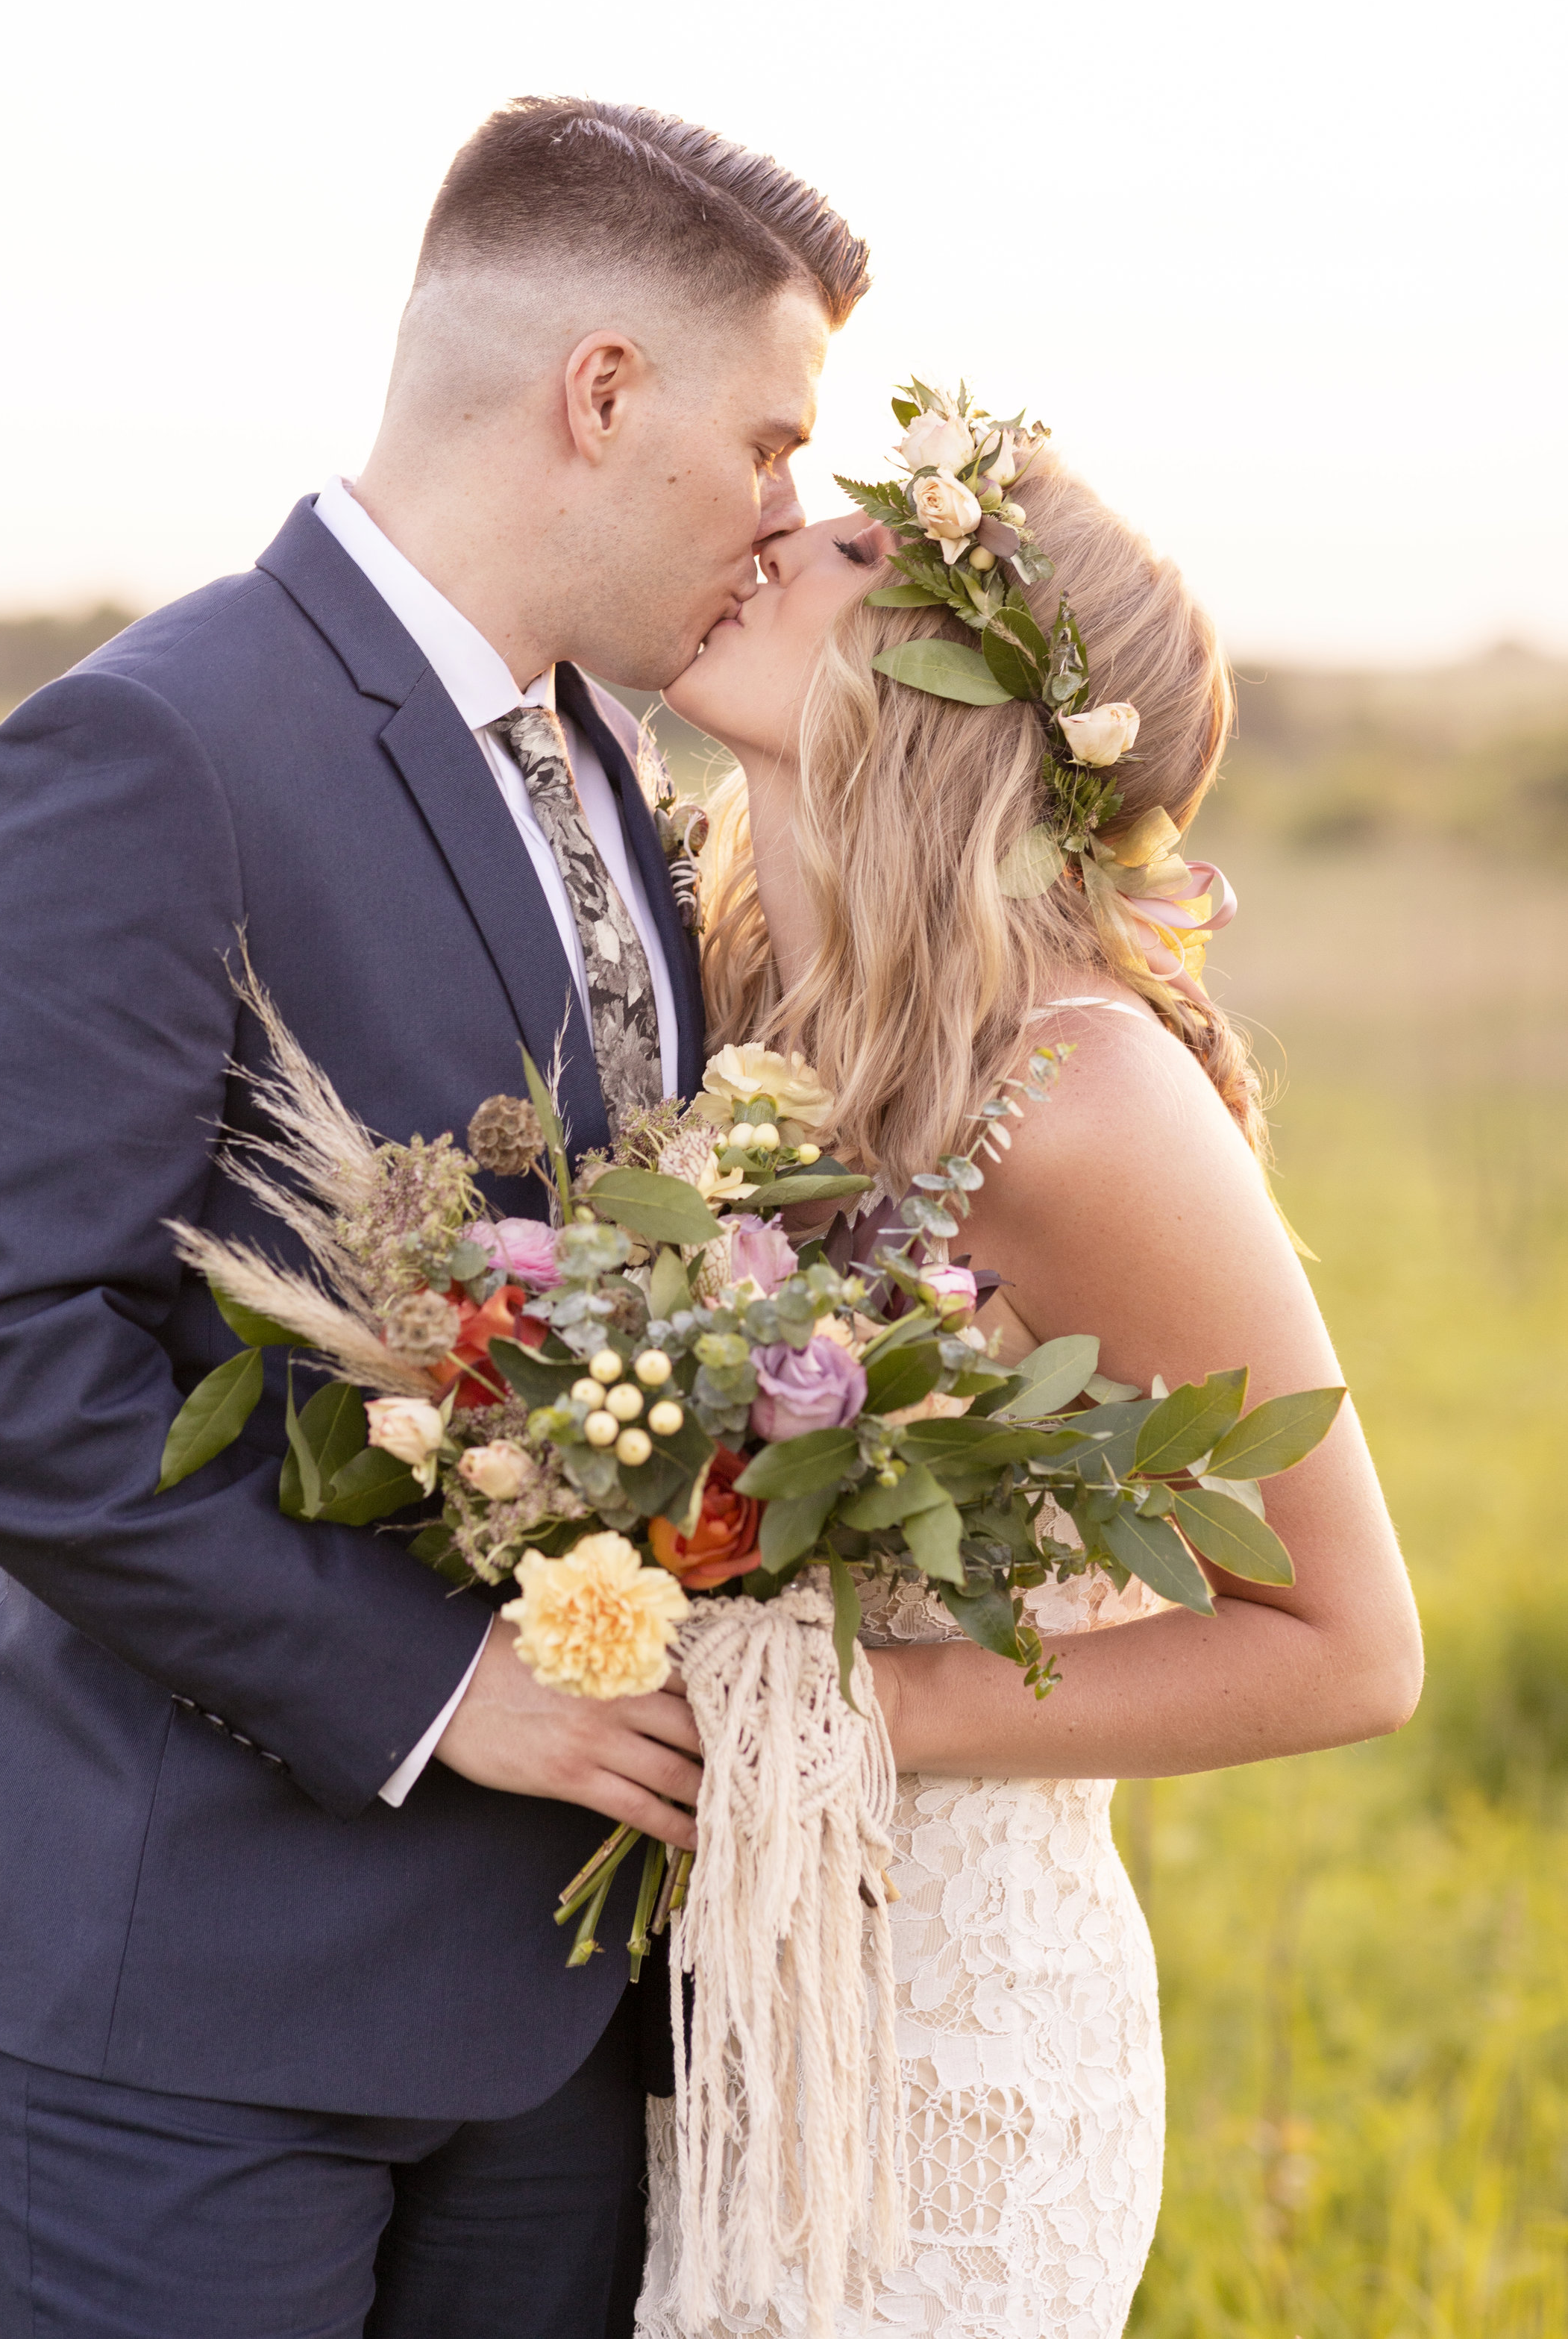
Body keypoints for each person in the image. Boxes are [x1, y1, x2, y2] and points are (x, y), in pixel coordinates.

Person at [0, 96, 870, 2339]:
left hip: (549, 2018)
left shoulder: (619, 768)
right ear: (600, 395)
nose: (788, 512)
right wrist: (436, 1688)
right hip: (186, 2016)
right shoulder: (148, 747)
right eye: (768, 440)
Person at [650, 446, 1425, 2337]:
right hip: (690, 2020)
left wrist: (843, 1713)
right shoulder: (733, 1015)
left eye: (850, 550)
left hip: (935, 2056)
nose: (771, 534)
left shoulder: (1076, 1092)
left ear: (959, 693)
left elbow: (1347, 1648)